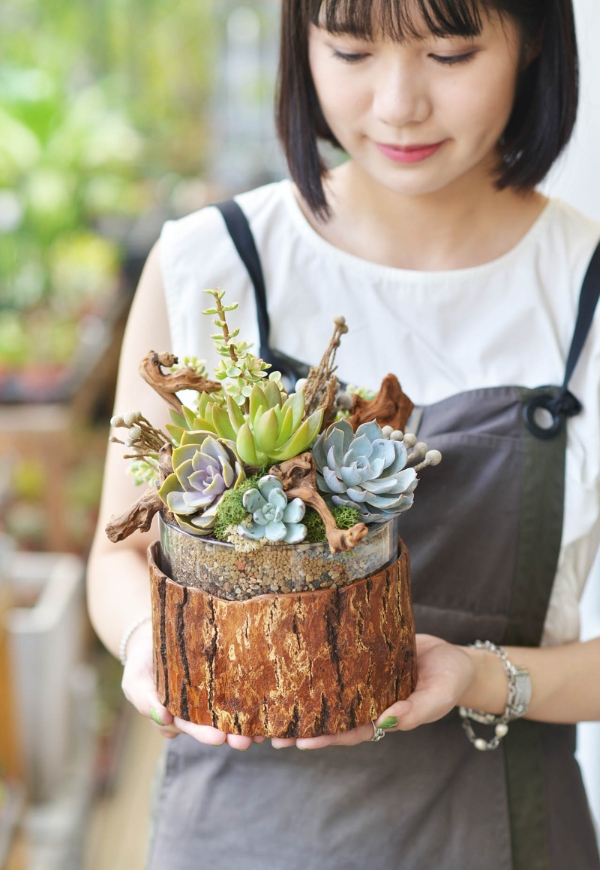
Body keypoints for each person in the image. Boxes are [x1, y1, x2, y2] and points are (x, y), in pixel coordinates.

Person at [87, 0, 600, 867]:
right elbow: (120, 555)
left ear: (535, 39)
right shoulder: (212, 263)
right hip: (234, 834)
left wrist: (484, 677)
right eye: (353, 51)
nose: (399, 105)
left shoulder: (584, 287)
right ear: (303, 43)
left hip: (503, 833)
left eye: (449, 53)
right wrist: (151, 647)